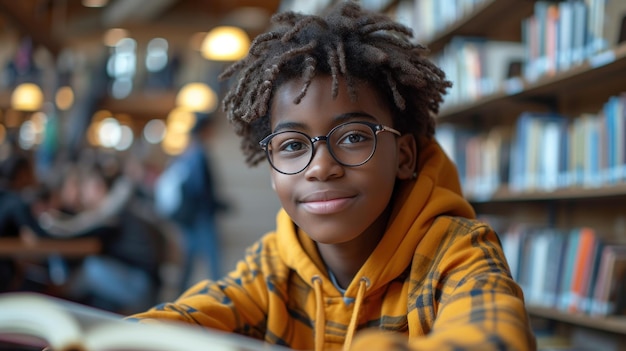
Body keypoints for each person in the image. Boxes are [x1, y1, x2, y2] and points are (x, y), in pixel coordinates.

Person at [129, 2, 537, 350]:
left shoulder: (458, 252)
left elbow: (493, 335)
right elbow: (185, 319)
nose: (321, 166)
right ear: (272, 170)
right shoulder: (273, 264)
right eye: (291, 145)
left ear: (405, 156)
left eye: (355, 136)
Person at [154, 112, 228, 291]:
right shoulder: (198, 154)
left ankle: (181, 293)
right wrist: (216, 204)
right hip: (200, 215)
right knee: (212, 258)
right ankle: (222, 294)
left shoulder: (188, 152)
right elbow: (199, 188)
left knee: (190, 257)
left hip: (190, 214)